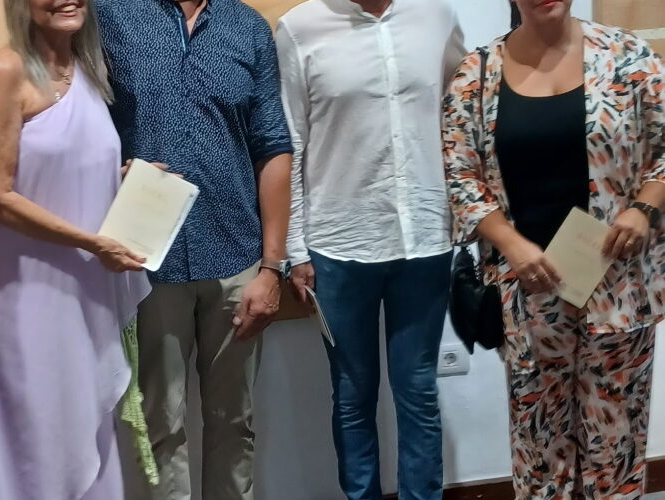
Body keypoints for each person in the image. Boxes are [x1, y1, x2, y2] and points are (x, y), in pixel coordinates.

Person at [443, 1, 665, 498]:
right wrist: (510, 244)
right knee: (538, 440)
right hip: (526, 287)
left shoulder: (628, 57)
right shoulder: (477, 74)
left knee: (616, 438)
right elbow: (461, 176)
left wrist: (643, 209)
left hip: (617, 284)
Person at [96, 0, 294, 498]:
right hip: (146, 264)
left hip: (236, 260)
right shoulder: (110, 16)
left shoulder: (247, 27)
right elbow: (83, 122)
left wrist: (272, 268)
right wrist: (109, 173)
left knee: (235, 423)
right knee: (160, 424)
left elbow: (272, 145)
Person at [276, 0, 464, 498]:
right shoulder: (299, 29)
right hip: (338, 245)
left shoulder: (436, 17)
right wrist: (296, 250)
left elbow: (461, 115)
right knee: (352, 395)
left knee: (418, 390)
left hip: (424, 239)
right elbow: (290, 141)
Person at [0, 0, 153, 499]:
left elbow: (69, 168)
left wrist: (128, 180)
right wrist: (90, 242)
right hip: (24, 294)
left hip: (87, 286)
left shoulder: (90, 70)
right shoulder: (5, 68)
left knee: (84, 428)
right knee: (38, 439)